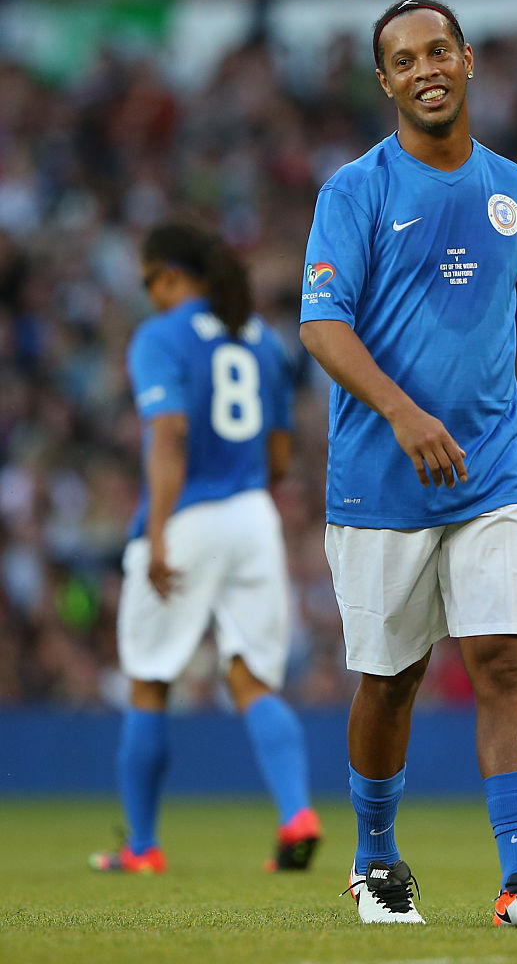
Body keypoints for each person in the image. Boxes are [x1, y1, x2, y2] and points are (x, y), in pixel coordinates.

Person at [299, 0, 517, 927]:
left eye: (438, 50)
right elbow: (320, 324)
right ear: (385, 80)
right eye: (404, 58)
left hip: (493, 465)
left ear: (466, 60)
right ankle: (375, 861)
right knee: (392, 678)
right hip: (379, 479)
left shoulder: (515, 190)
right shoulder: (355, 190)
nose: (425, 68)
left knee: (501, 662)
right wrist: (403, 412)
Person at [90, 222, 321, 875]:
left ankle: (142, 846)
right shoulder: (261, 340)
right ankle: (296, 811)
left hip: (188, 515)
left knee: (150, 679)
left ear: (167, 275)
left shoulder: (159, 337)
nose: (147, 294)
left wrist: (158, 532)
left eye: (147, 281)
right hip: (253, 515)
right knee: (250, 675)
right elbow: (279, 453)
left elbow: (168, 434)